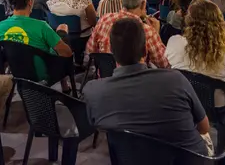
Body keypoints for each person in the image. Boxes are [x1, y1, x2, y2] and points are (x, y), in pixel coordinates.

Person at [85, 18, 209, 154]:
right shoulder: (176, 80)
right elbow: (204, 127)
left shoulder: (93, 92)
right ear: (145, 51)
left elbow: (98, 124)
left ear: (112, 53)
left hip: (132, 159)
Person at [0, 0, 72, 79]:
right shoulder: (42, 26)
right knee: (62, 28)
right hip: (44, 73)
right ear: (30, 2)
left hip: (18, 71)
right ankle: (65, 86)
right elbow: (67, 53)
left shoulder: (1, 26)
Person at [87, 0, 168, 68]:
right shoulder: (147, 30)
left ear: (121, 1)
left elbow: (90, 50)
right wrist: (156, 33)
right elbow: (163, 63)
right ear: (143, 3)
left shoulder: (104, 20)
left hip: (106, 78)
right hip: (137, 79)